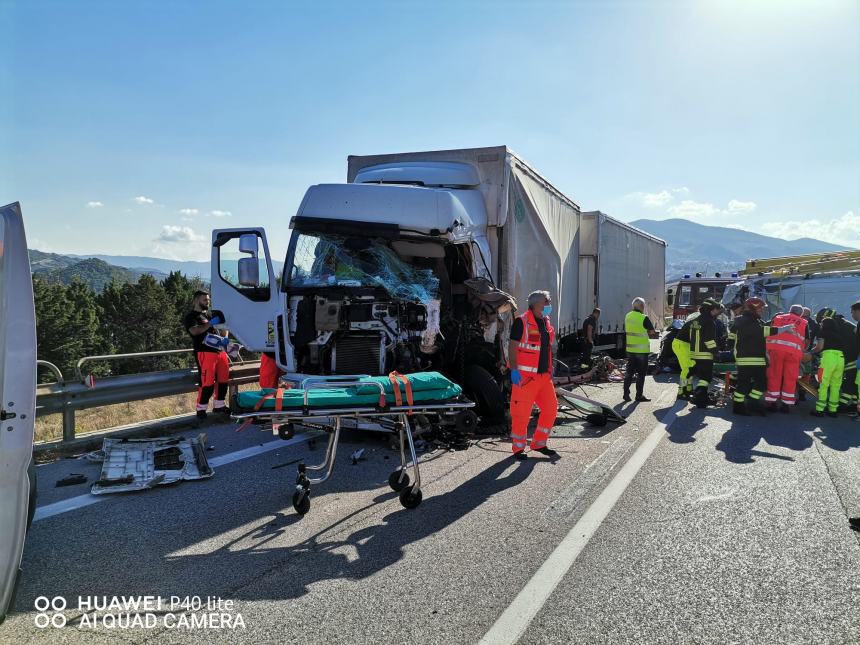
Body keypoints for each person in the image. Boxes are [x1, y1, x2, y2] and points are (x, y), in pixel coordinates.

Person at [508, 290, 559, 460]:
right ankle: (518, 448)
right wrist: (514, 370)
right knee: (521, 414)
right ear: (537, 304)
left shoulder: (545, 321)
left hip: (544, 377)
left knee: (551, 409)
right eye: (547, 302)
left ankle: (539, 443)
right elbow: (512, 347)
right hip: (525, 378)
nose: (549, 305)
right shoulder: (521, 322)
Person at [731, 298, 793, 416]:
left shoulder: (751, 320)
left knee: (762, 383)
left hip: (756, 358)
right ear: (754, 307)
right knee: (744, 384)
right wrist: (784, 329)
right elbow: (762, 331)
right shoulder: (746, 320)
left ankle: (752, 403)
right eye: (761, 308)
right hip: (747, 358)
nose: (762, 311)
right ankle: (738, 406)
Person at [184, 290, 231, 420]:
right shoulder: (191, 316)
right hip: (205, 352)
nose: (207, 302)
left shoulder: (211, 314)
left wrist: (225, 336)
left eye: (208, 299)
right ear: (196, 300)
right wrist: (210, 324)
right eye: (205, 300)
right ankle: (201, 409)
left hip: (220, 351)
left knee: (223, 380)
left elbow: (223, 329)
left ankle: (219, 405)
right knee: (207, 381)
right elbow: (194, 331)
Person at [764, 304, 807, 413]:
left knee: (774, 375)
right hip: (793, 353)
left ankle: (771, 402)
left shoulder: (779, 318)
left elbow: (769, 331)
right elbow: (806, 341)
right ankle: (786, 405)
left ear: (789, 311)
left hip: (776, 349)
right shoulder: (804, 322)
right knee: (790, 377)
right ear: (801, 314)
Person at [811, 308, 851, 417]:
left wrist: (810, 352)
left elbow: (819, 347)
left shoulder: (823, 332)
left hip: (828, 358)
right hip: (840, 359)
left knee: (823, 384)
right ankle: (833, 410)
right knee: (836, 385)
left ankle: (820, 409)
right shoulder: (839, 335)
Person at [685, 299, 722, 408]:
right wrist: (716, 353)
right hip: (705, 354)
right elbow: (709, 341)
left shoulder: (695, 321)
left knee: (702, 377)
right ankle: (699, 397)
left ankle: (702, 397)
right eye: (716, 309)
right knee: (706, 378)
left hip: (694, 354)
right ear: (711, 309)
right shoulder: (710, 322)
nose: (717, 311)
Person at [623, 297, 658, 403]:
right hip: (641, 351)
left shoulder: (627, 316)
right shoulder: (644, 317)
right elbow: (652, 332)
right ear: (642, 307)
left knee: (629, 372)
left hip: (630, 349)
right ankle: (639, 396)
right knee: (641, 374)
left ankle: (626, 394)